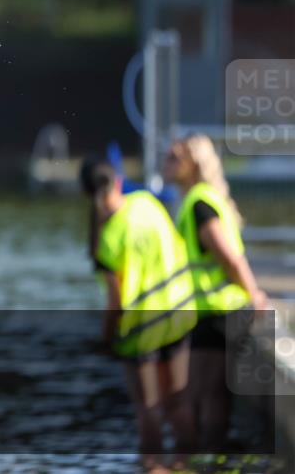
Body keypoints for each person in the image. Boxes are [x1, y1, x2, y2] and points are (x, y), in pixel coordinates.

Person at [80, 158, 196, 472]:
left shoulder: (108, 239)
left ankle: (154, 467)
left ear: (88, 195)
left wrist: (106, 338)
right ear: (118, 181)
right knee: (178, 401)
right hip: (179, 314)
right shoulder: (146, 203)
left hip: (142, 330)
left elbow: (115, 302)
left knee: (148, 408)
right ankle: (187, 465)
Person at [163, 134, 268, 452]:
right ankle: (209, 456)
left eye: (173, 158)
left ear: (192, 165)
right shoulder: (202, 198)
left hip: (220, 312)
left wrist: (255, 294)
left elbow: (229, 257)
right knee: (208, 394)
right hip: (212, 312)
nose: (165, 163)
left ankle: (208, 460)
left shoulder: (199, 204)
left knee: (207, 394)